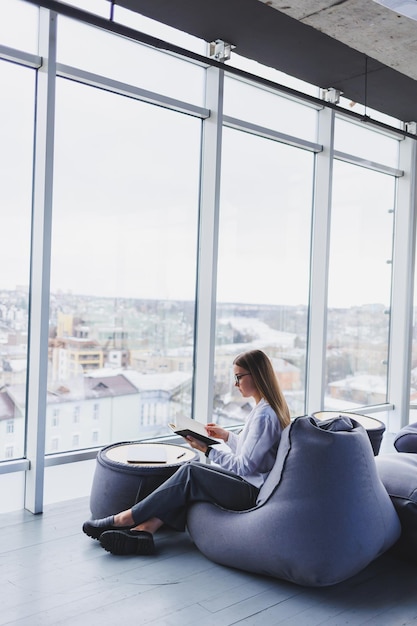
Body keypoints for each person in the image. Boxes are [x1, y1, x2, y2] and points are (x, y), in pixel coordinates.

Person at [82, 349, 291, 555]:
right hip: (249, 482)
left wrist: (207, 449)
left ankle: (125, 518)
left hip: (250, 491)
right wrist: (226, 436)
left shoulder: (264, 416)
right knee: (189, 477)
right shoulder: (264, 409)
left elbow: (244, 465)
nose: (235, 384)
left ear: (256, 375)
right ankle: (144, 531)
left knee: (191, 473)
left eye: (238, 377)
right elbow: (252, 453)